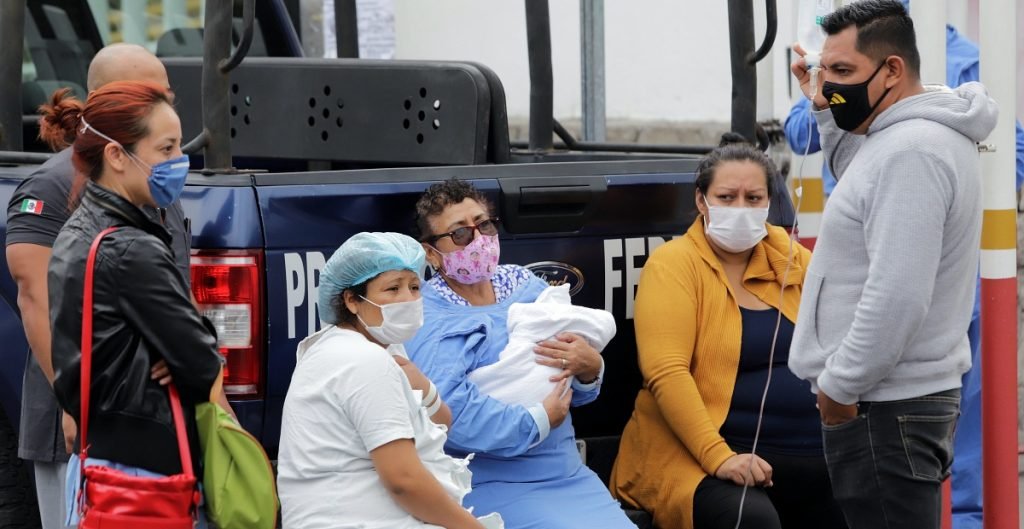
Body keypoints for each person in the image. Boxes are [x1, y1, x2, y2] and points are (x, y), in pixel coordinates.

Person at [784, 5, 1019, 525]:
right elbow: (861, 176)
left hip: (885, 406)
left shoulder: (913, 151)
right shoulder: (903, 136)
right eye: (827, 69)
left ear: (892, 69)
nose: (832, 83)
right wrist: (825, 109)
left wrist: (840, 387)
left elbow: (897, 294)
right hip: (890, 402)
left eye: (843, 71)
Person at [609, 140, 846, 529]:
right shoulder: (674, 265)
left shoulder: (794, 262)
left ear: (769, 203)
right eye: (726, 197)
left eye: (753, 198)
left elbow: (841, 342)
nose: (740, 208)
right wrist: (719, 457)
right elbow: (666, 372)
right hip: (705, 454)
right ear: (701, 201)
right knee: (750, 519)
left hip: (813, 453)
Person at [4, 43, 192, 529]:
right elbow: (35, 297)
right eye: (151, 94)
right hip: (83, 429)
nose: (164, 105)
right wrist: (75, 405)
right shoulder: (53, 186)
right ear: (107, 99)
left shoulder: (151, 182)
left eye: (166, 95)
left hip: (151, 422)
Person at [40, 81, 223, 527]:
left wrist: (178, 349)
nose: (179, 161)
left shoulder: (78, 230)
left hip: (98, 466)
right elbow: (202, 365)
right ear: (117, 156)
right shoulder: (131, 248)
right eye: (166, 149)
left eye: (179, 146)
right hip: (146, 478)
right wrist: (182, 350)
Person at [404, 178, 636, 529]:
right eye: (460, 233)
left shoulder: (527, 287)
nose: (478, 239)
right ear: (431, 252)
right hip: (487, 481)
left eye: (484, 225)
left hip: (565, 473)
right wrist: (536, 420)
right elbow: (450, 415)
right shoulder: (429, 316)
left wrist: (590, 369)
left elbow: (567, 388)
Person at [276, 232, 501, 529]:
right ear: (351, 300)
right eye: (393, 289)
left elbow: (440, 424)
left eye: (414, 287)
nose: (408, 299)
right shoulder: (363, 360)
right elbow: (404, 481)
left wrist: (422, 385)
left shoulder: (364, 345)